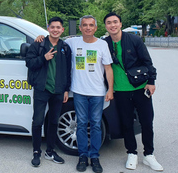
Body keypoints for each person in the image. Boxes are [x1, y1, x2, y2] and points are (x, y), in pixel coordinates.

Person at [103, 12, 163, 171]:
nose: (112, 25)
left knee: (146, 122)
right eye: (109, 23)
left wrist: (151, 81)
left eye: (115, 22)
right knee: (126, 123)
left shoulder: (134, 40)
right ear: (105, 26)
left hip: (140, 88)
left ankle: (149, 155)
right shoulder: (105, 43)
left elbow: (147, 62)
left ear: (120, 24)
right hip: (120, 91)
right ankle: (132, 153)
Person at [65, 15, 113, 173]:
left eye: (91, 25)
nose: (88, 28)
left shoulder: (102, 44)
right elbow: (54, 39)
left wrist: (110, 89)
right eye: (84, 25)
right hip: (79, 92)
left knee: (96, 126)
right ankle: (82, 157)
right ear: (80, 28)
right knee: (81, 125)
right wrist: (40, 37)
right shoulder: (72, 42)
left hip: (97, 92)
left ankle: (95, 157)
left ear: (95, 27)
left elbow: (108, 69)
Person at [26, 17, 72, 167]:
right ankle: (36, 151)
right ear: (48, 28)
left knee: (53, 121)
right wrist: (43, 58)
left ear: (62, 30)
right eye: (52, 27)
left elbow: (68, 71)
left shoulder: (65, 47)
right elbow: (29, 63)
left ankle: (50, 151)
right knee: (38, 121)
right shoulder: (38, 44)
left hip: (58, 91)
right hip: (42, 89)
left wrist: (66, 89)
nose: (55, 30)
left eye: (58, 27)